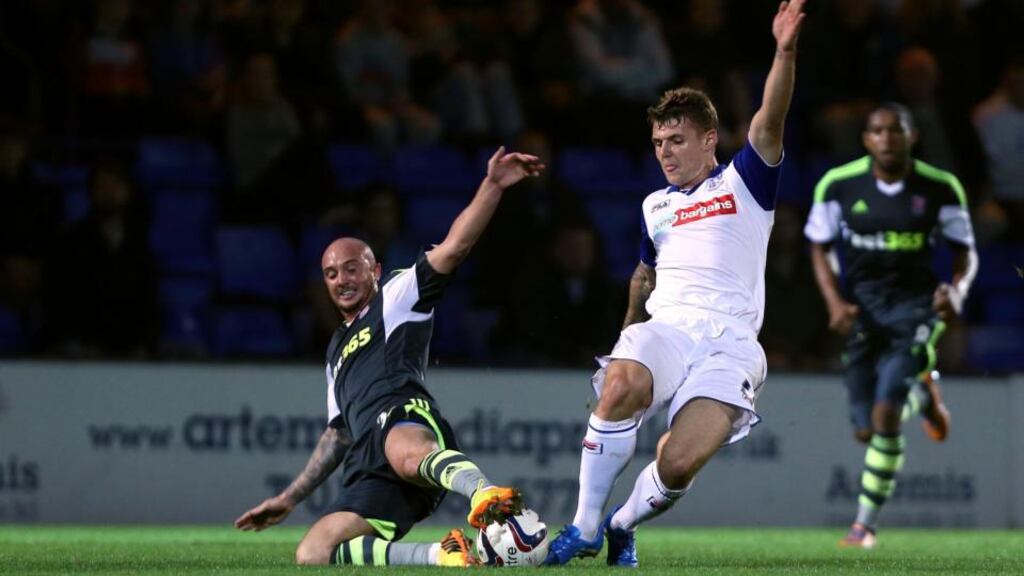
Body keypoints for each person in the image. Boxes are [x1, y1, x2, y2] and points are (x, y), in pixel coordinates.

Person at [544, 0, 805, 567]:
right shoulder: (654, 205)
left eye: (677, 140)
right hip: (667, 328)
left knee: (679, 463)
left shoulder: (746, 183)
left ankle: (621, 523)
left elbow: (769, 119)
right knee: (618, 387)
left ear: (709, 140)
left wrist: (783, 50)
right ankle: (586, 526)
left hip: (731, 343)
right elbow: (643, 276)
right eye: (659, 142)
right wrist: (624, 338)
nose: (665, 152)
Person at [234, 147, 545, 567]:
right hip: (368, 464)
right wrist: (289, 498)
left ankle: (484, 494)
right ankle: (444, 555)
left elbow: (454, 248)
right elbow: (338, 435)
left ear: (374, 271)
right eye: (331, 273)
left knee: (399, 445)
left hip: (404, 422)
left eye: (350, 268)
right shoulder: (334, 353)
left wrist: (491, 186)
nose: (341, 280)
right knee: (313, 553)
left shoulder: (397, 296)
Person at [803, 103, 978, 549]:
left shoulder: (940, 188)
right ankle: (923, 392)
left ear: (911, 136)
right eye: (877, 131)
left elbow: (966, 253)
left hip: (915, 311)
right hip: (863, 313)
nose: (886, 139)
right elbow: (819, 247)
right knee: (865, 429)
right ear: (866, 140)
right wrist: (833, 302)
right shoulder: (838, 185)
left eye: (895, 131)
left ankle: (863, 527)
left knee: (884, 419)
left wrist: (956, 289)